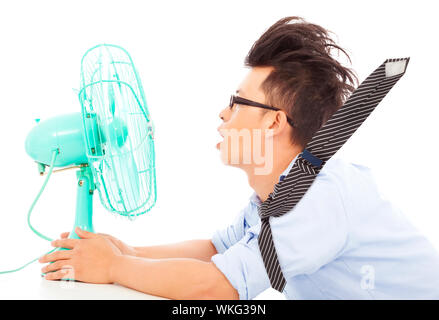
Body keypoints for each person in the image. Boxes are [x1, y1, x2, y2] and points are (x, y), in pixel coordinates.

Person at [38, 16, 439, 299]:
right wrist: (126, 251)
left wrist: (113, 267)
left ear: (274, 123)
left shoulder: (318, 198)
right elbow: (216, 250)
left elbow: (219, 287)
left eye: (237, 102)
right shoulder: (279, 191)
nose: (223, 113)